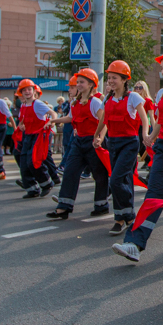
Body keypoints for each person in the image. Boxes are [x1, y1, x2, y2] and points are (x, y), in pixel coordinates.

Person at [112, 49, 163, 261]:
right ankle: (134, 243)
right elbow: (161, 121)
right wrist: (150, 137)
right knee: (154, 196)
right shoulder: (161, 93)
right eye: (162, 67)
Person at [93, 61, 148, 235]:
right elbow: (104, 120)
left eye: (114, 78)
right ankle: (120, 219)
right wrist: (98, 136)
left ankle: (129, 216)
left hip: (129, 144)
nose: (110, 81)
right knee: (124, 180)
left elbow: (144, 118)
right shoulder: (107, 99)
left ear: (124, 79)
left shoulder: (133, 97)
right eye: (109, 77)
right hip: (113, 143)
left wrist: (145, 135)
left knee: (116, 180)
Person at [47, 68, 110, 220]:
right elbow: (70, 118)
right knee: (70, 172)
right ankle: (63, 207)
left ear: (91, 84)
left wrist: (100, 138)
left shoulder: (95, 102)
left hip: (93, 142)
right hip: (78, 142)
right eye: (78, 82)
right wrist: (53, 120)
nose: (79, 85)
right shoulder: (75, 102)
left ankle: (101, 206)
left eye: (82, 82)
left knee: (99, 174)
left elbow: (104, 121)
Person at [17, 79, 58, 198]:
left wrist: (52, 122)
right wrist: (21, 126)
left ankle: (47, 183)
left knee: (34, 161)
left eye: (29, 89)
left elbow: (53, 113)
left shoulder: (38, 104)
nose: (27, 92)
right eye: (24, 90)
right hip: (28, 136)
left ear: (34, 91)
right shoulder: (23, 105)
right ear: (21, 93)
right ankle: (32, 189)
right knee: (24, 163)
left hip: (38, 136)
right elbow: (22, 121)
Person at [57, 77, 77, 172]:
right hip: (74, 129)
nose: (69, 90)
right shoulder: (72, 102)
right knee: (68, 146)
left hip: (87, 133)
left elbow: (101, 119)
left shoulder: (94, 101)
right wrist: (53, 121)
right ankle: (64, 165)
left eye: (72, 87)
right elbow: (69, 116)